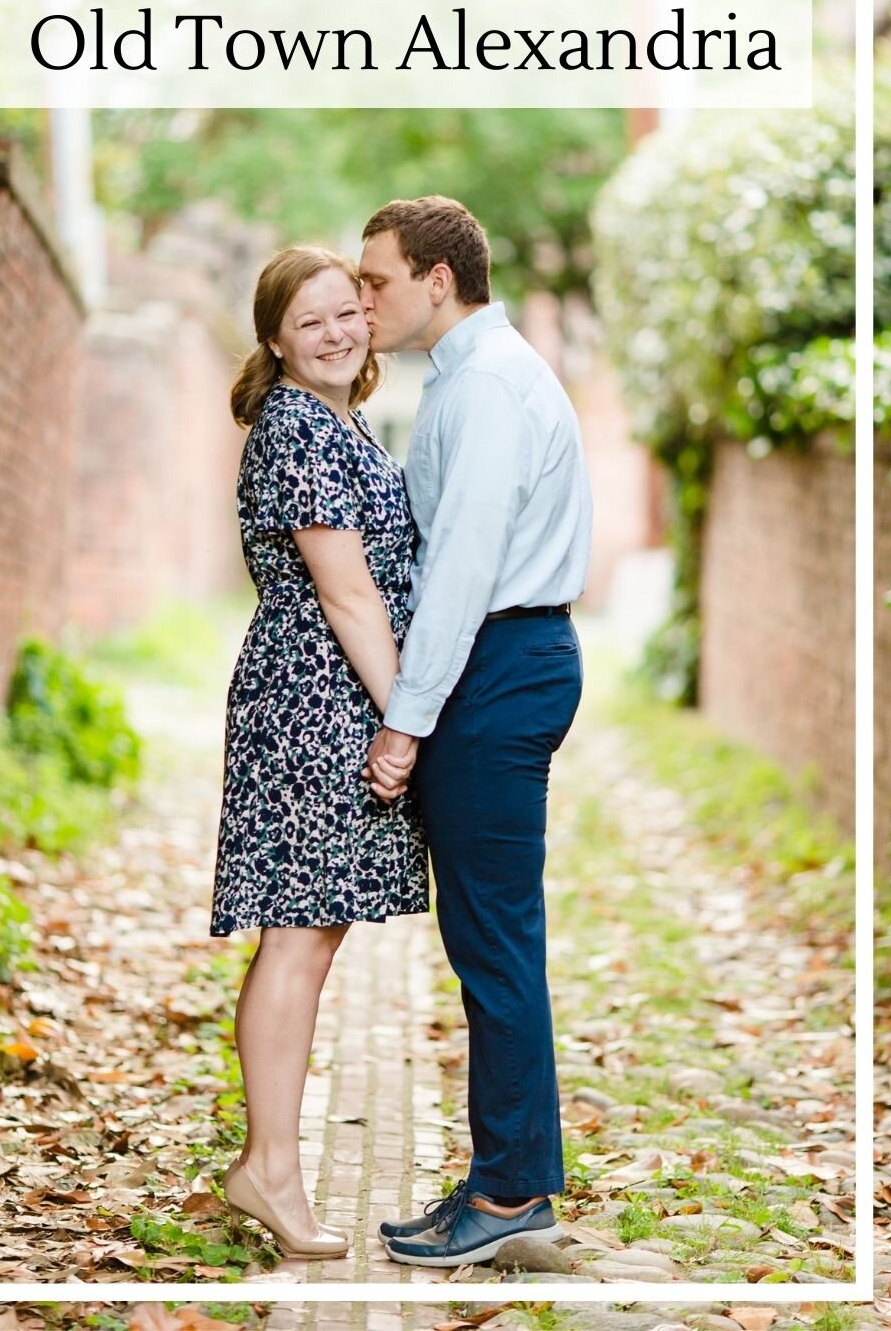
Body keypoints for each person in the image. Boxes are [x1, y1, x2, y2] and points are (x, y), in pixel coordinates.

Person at [359, 196, 593, 1269]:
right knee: (485, 940)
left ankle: (508, 1197)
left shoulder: (490, 387)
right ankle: (503, 1174)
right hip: (494, 664)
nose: (364, 302)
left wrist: (405, 723)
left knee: (495, 944)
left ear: (437, 279)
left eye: (377, 281)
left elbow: (460, 565)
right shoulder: (466, 380)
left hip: (500, 666)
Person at [210, 244, 427, 1260]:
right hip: (311, 702)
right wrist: (404, 716)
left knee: (315, 931)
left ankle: (268, 1164)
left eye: (348, 312)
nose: (337, 333)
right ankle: (271, 1170)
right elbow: (347, 592)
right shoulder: (297, 426)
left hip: (331, 695)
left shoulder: (341, 417)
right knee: (297, 937)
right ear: (275, 341)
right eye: (311, 323)